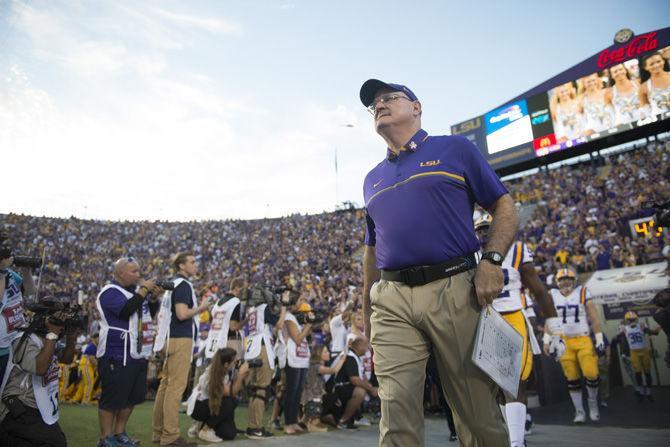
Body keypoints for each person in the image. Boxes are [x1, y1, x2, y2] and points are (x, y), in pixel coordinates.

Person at [360, 78, 518, 446]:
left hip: (454, 288)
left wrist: (492, 261)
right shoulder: (371, 178)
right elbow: (372, 248)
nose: (379, 105)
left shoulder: (455, 149)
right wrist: (367, 308)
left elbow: (504, 206)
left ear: (416, 107)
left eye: (389, 98)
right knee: (395, 412)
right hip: (392, 296)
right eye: (374, 104)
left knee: (476, 413)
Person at [474, 214, 561, 447]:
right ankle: (514, 437)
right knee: (500, 386)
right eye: (480, 229)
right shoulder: (468, 253)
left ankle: (516, 442)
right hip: (485, 321)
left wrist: (554, 326)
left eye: (487, 228)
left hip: (513, 317)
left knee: (514, 382)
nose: (483, 234)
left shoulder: (517, 250)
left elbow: (539, 290)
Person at [96, 257, 162, 447]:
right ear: (120, 273)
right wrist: (143, 289)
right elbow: (125, 310)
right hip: (115, 351)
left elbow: (145, 312)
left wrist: (153, 298)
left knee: (131, 396)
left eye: (138, 271)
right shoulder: (110, 292)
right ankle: (105, 437)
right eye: (133, 271)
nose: (138, 275)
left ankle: (119, 433)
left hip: (136, 351)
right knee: (112, 397)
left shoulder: (133, 292)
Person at [0, 301, 77, 447]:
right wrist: (52, 334)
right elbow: (40, 368)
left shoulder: (48, 340)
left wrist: (71, 338)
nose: (61, 323)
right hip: (17, 406)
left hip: (36, 407)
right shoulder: (23, 339)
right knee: (55, 442)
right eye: (58, 318)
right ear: (44, 319)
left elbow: (66, 359)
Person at [152, 253, 209, 447]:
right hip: (180, 339)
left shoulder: (172, 285)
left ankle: (159, 432)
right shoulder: (183, 285)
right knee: (175, 388)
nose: (195, 265)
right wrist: (201, 308)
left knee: (166, 386)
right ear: (182, 266)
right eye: (192, 262)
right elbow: (182, 313)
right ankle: (170, 436)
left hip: (170, 338)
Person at [549, 267, 604, 423]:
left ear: (574, 280)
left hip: (583, 338)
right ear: (557, 282)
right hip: (563, 340)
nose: (566, 282)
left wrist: (599, 337)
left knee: (591, 374)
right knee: (571, 377)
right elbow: (550, 318)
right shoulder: (552, 295)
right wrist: (547, 339)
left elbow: (593, 316)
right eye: (562, 279)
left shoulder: (582, 292)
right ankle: (579, 411)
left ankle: (592, 404)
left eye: (568, 279)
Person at [242, 286, 287, 439]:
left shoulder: (252, 310)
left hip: (251, 347)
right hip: (261, 348)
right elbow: (279, 324)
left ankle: (252, 425)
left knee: (255, 390)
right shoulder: (263, 308)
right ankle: (255, 427)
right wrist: (284, 308)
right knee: (261, 389)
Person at [187, 347, 250, 443]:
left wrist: (240, 375)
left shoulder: (222, 369)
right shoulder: (213, 374)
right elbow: (231, 393)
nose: (236, 363)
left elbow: (234, 389)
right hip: (199, 407)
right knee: (231, 401)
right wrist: (241, 375)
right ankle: (205, 429)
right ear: (226, 364)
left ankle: (203, 425)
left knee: (229, 434)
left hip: (210, 404)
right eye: (233, 362)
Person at [0, 240, 36, 396]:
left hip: (14, 342)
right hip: (1, 348)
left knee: (9, 393)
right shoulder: (4, 274)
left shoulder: (10, 274)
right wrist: (1, 272)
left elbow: (30, 291)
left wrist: (26, 271)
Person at [282, 293, 313, 435]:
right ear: (293, 303)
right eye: (301, 300)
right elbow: (298, 339)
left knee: (298, 391)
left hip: (301, 358)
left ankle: (294, 421)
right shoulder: (288, 317)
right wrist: (309, 324)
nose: (303, 302)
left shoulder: (297, 318)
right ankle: (288, 423)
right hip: (292, 358)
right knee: (291, 391)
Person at [331, 337, 378, 430]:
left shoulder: (354, 355)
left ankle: (355, 417)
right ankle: (343, 421)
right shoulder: (350, 356)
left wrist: (371, 387)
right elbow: (355, 380)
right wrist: (371, 389)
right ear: (359, 346)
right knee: (360, 391)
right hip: (336, 388)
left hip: (344, 386)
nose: (367, 348)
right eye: (366, 346)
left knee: (364, 387)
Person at [301, 344, 345, 432]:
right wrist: (342, 359)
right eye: (325, 352)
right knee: (333, 397)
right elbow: (333, 370)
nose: (328, 353)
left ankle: (313, 419)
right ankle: (312, 420)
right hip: (311, 400)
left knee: (334, 398)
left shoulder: (316, 366)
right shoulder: (316, 367)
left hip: (316, 398)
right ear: (319, 354)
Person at [619, 311, 660, 401]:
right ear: (626, 321)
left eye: (633, 319)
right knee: (638, 373)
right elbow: (619, 339)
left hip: (644, 351)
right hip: (634, 352)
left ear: (636, 319)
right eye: (630, 320)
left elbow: (653, 333)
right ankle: (641, 392)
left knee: (647, 373)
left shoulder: (641, 326)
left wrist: (657, 330)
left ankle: (648, 392)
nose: (631, 321)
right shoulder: (625, 329)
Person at [639, 51, 670, 116]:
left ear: (663, 61)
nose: (656, 65)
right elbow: (645, 111)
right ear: (646, 67)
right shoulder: (643, 87)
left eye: (658, 61)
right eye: (651, 64)